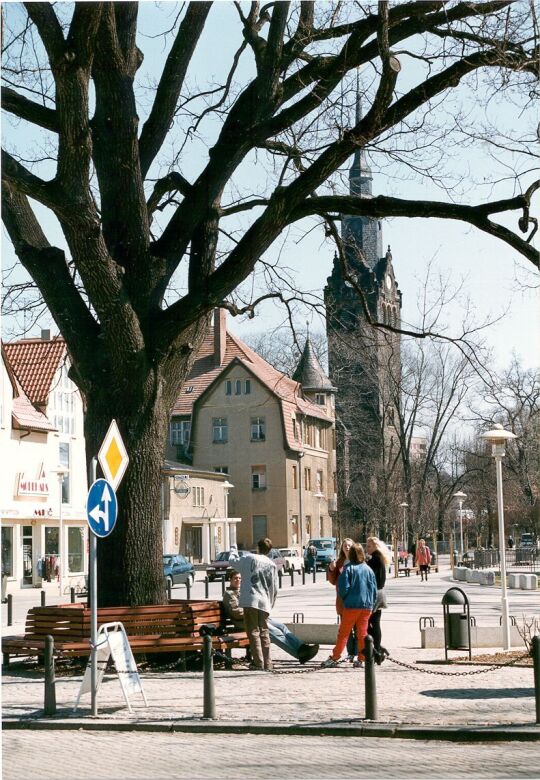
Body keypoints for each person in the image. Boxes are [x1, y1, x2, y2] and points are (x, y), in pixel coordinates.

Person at [224, 571, 319, 664]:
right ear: (230, 579)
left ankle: (302, 647)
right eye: (235, 578)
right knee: (274, 632)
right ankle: (299, 654)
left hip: (257, 617)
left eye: (240, 578)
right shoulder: (229, 594)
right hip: (246, 621)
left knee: (282, 627)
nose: (238, 580)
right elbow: (235, 612)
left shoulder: (244, 591)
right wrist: (254, 612)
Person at [322, 543, 377, 669]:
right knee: (362, 633)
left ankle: (335, 656)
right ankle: (362, 658)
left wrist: (347, 598)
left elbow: (342, 588)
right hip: (366, 606)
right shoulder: (368, 569)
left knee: (344, 633)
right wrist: (371, 604)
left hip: (352, 605)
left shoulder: (348, 568)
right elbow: (374, 589)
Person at [228, 538, 278, 671]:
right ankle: (268, 663)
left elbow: (232, 561)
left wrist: (233, 548)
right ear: (269, 550)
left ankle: (258, 662)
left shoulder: (249, 558)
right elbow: (274, 587)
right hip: (265, 601)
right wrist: (270, 603)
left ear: (257, 547)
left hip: (251, 600)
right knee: (264, 632)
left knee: (253, 632)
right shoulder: (272, 565)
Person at [366, 536, 391, 664]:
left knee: (371, 623)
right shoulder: (379, 558)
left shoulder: (375, 559)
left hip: (375, 594)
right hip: (380, 593)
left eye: (369, 546)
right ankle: (378, 649)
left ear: (375, 546)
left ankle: (377, 649)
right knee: (375, 623)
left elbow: (371, 579)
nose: (367, 548)